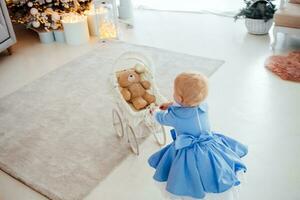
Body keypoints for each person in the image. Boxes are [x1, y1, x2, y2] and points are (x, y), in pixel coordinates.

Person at [148, 72, 248, 200]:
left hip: (189, 149)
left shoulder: (175, 117)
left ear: (180, 98)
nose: (172, 94)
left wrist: (154, 112)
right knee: (211, 169)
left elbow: (162, 118)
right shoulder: (203, 106)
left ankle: (191, 190)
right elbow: (185, 106)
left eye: (174, 92)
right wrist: (171, 104)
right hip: (209, 144)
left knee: (188, 173)